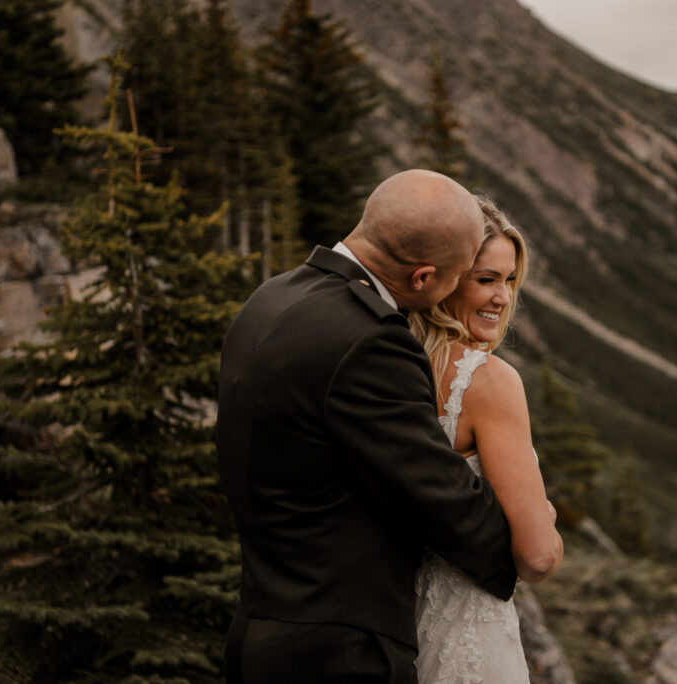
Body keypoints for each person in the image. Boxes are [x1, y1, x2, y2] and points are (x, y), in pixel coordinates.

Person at [216, 170, 519, 684]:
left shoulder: (271, 299)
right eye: (459, 276)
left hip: (258, 629)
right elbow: (445, 503)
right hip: (338, 654)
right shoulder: (371, 341)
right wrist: (526, 536)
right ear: (422, 277)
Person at [409, 196, 563, 683]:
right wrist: (548, 523)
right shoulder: (489, 381)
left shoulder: (389, 363)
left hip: (398, 625)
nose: (503, 297)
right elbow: (536, 557)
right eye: (487, 279)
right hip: (468, 629)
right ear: (448, 278)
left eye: (510, 280)